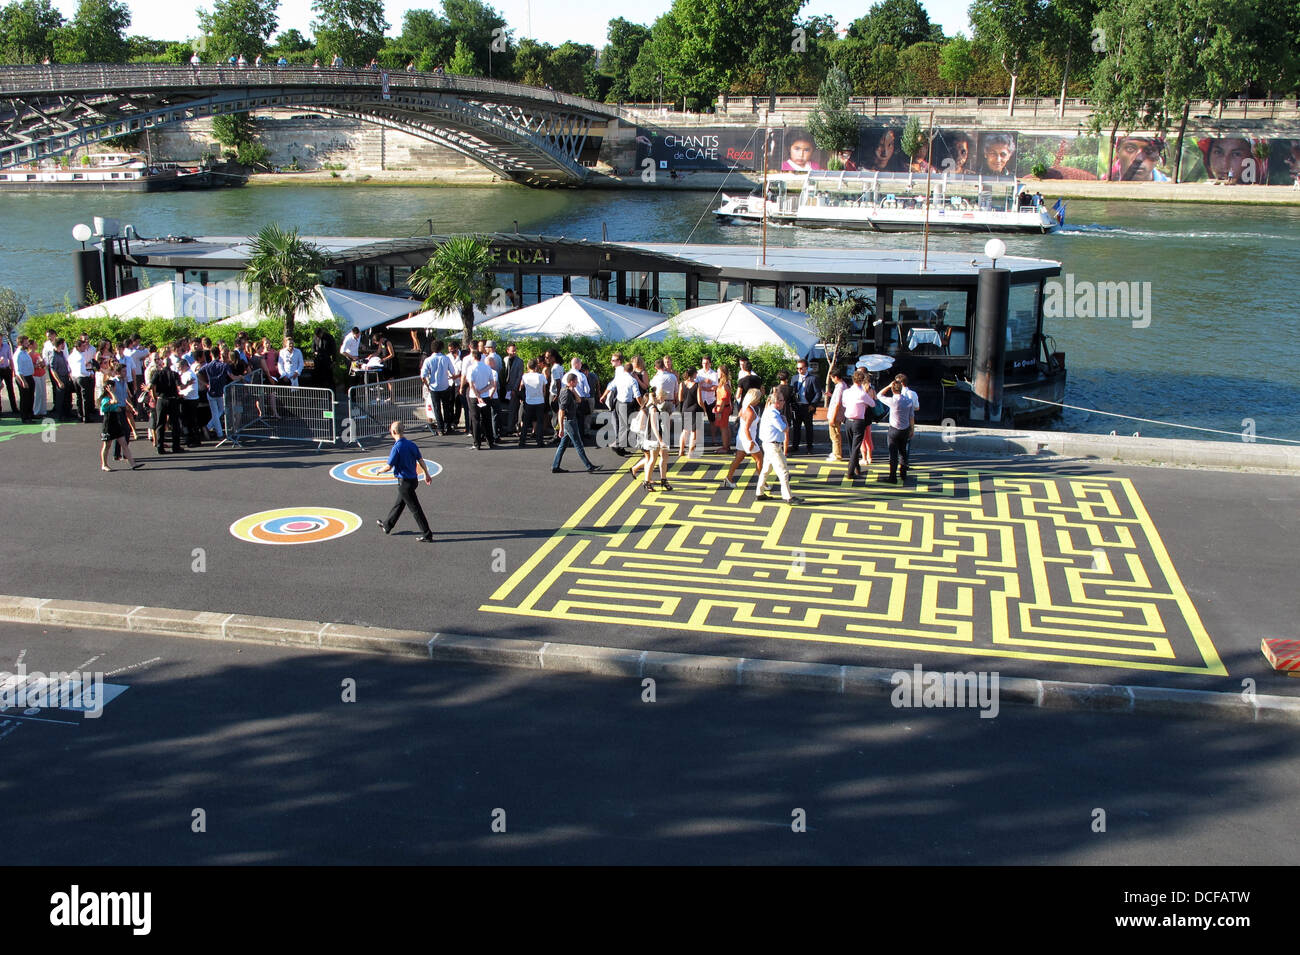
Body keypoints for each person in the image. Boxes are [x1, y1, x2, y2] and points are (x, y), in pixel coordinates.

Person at [376, 421, 434, 542]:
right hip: (413, 480)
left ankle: (427, 534)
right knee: (399, 504)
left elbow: (389, 466)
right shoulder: (411, 444)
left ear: (393, 432)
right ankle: (387, 525)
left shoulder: (397, 447)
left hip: (404, 483)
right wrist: (426, 473)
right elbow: (420, 460)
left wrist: (379, 471)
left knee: (415, 509)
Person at [754, 386, 802, 504]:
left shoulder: (769, 410)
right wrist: (785, 420)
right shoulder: (774, 414)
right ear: (777, 402)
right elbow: (784, 429)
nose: (783, 402)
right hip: (773, 446)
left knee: (766, 470)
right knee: (783, 471)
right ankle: (788, 497)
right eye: (781, 400)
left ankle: (759, 492)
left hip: (768, 444)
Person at [552, 373, 600, 473]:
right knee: (578, 444)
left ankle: (555, 466)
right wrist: (561, 428)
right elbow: (561, 411)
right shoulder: (565, 393)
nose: (578, 382)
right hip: (569, 422)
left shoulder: (569, 391)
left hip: (571, 421)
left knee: (563, 445)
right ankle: (589, 466)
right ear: (571, 382)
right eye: (576, 381)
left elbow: (579, 400)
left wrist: (573, 391)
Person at [876, 376, 916, 483]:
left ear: (893, 390)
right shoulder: (909, 401)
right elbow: (911, 417)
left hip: (893, 429)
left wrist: (888, 386)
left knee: (893, 454)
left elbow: (879, 395)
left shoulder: (892, 401)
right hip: (905, 429)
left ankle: (892, 477)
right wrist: (912, 429)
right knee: (903, 452)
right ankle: (903, 474)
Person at [722, 388, 764, 490]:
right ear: (753, 399)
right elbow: (747, 428)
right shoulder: (750, 411)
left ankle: (729, 477)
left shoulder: (744, 408)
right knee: (759, 459)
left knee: (738, 459)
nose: (759, 400)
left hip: (741, 438)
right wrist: (751, 441)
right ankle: (763, 483)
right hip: (748, 439)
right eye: (758, 398)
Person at [99, 377, 139, 471]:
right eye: (114, 387)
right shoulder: (105, 399)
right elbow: (115, 401)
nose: (115, 388)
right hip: (108, 424)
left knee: (124, 443)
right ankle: (104, 464)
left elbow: (117, 406)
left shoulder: (111, 397)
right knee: (107, 445)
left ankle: (133, 463)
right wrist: (112, 393)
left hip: (116, 423)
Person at [842, 369, 873, 481]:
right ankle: (851, 471)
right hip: (858, 421)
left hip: (848, 421)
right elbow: (873, 404)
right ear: (862, 381)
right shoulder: (862, 393)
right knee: (855, 447)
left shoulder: (847, 392)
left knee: (851, 446)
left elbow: (844, 404)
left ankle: (856, 467)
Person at [150, 350, 183, 454]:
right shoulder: (175, 374)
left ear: (162, 364)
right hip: (173, 399)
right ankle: (176, 446)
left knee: (160, 423)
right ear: (171, 364)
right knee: (175, 424)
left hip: (161, 399)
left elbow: (151, 386)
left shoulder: (157, 374)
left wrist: (155, 396)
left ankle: (160, 447)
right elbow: (180, 386)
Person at [464, 349, 496, 449]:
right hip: (485, 396)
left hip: (474, 396)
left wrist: (478, 395)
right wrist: (482, 392)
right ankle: (490, 441)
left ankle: (477, 443)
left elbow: (471, 384)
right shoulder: (487, 368)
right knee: (487, 419)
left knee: (475, 419)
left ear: (473, 357)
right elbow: (491, 383)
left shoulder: (471, 368)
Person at [789, 358, 822, 454]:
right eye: (797, 368)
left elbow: (818, 393)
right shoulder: (794, 378)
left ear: (806, 368)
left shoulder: (813, 379)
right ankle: (795, 446)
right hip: (797, 406)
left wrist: (813, 404)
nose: (799, 370)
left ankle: (809, 446)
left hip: (807, 406)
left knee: (808, 427)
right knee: (796, 427)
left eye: (801, 368)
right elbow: (792, 391)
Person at [518, 358, 548, 447]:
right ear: (536, 366)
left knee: (526, 422)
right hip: (539, 401)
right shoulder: (541, 376)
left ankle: (522, 441)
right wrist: (543, 397)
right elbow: (544, 390)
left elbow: (521, 387)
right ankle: (539, 441)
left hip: (529, 401)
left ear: (528, 366)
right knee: (539, 422)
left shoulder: (525, 376)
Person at [677, 366, 703, 457]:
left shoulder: (681, 384)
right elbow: (700, 401)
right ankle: (690, 452)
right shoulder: (697, 385)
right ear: (694, 374)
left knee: (684, 430)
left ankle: (681, 450)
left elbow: (680, 398)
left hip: (685, 408)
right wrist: (704, 408)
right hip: (694, 409)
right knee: (693, 431)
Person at [498, 342, 524, 436]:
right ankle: (506, 427)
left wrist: (514, 389)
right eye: (512, 350)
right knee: (504, 408)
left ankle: (511, 428)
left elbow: (519, 376)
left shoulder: (519, 361)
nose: (514, 352)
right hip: (505, 387)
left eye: (515, 350)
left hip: (513, 388)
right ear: (507, 350)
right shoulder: (505, 359)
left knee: (513, 408)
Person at [824, 366, 847, 462]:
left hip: (835, 415)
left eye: (832, 378)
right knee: (835, 434)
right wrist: (831, 395)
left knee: (835, 435)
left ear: (836, 377)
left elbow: (838, 403)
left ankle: (837, 454)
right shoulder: (843, 385)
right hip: (837, 414)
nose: (832, 380)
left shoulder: (840, 387)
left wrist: (833, 418)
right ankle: (835, 452)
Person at [713, 365, 734, 455]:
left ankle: (725, 447)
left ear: (722, 373)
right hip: (725, 407)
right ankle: (727, 446)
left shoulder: (724, 385)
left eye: (718, 371)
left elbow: (724, 398)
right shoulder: (726, 382)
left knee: (723, 428)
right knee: (726, 427)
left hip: (723, 408)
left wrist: (719, 411)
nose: (717, 373)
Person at [0, 334, 15, 416]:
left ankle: (14, 408)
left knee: (10, 388)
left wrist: (13, 370)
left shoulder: (6, 346)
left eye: (1, 339)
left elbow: (10, 358)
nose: (0, 341)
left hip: (6, 369)